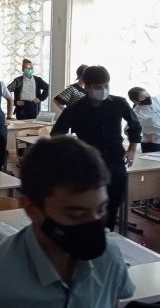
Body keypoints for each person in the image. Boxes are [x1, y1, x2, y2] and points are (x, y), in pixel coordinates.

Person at [0, 136, 135, 308]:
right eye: (75, 214)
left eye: (101, 209)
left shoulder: (109, 256)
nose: (93, 224)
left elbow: (113, 300)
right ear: (32, 208)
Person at [51, 66, 141, 230]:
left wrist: (132, 149)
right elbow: (56, 134)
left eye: (106, 85)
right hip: (89, 165)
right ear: (87, 87)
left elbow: (135, 125)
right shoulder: (75, 108)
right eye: (99, 87)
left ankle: (108, 234)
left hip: (115, 161)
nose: (104, 90)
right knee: (89, 207)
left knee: (113, 204)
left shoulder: (119, 103)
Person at [127, 86, 160, 153]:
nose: (147, 97)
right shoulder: (136, 113)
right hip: (153, 144)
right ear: (135, 101)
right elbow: (128, 130)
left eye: (147, 94)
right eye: (143, 97)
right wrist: (144, 138)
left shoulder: (157, 100)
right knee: (154, 160)